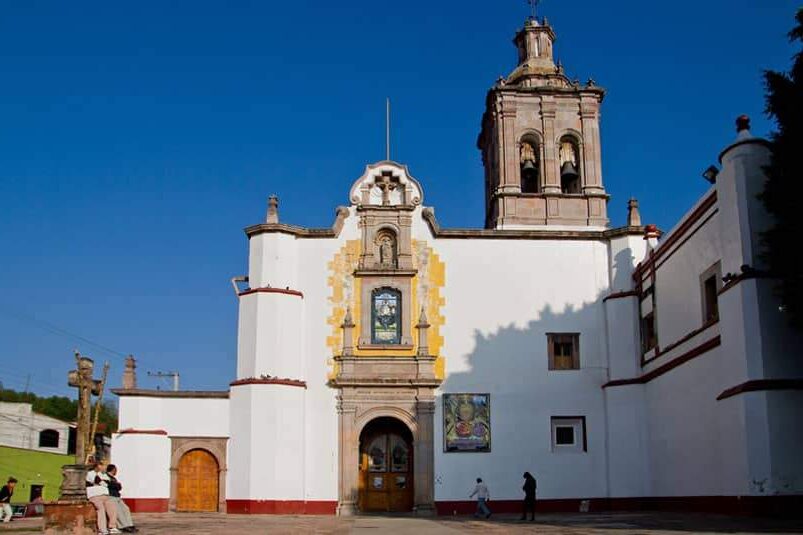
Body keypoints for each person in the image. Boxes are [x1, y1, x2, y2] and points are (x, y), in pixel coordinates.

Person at [86, 461, 120, 535]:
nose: (105, 468)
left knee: (112, 507)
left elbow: (109, 483)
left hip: (105, 495)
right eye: (103, 466)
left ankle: (112, 527)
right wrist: (105, 483)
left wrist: (106, 483)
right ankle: (102, 529)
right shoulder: (90, 473)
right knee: (101, 509)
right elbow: (101, 482)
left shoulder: (103, 474)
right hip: (95, 495)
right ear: (98, 466)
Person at [105, 465, 138, 533]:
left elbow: (119, 487)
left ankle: (129, 524)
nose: (116, 471)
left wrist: (117, 485)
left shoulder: (113, 478)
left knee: (125, 509)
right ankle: (124, 526)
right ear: (113, 470)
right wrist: (117, 485)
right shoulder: (106, 477)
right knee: (119, 512)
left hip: (117, 496)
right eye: (115, 470)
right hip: (111, 496)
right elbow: (111, 485)